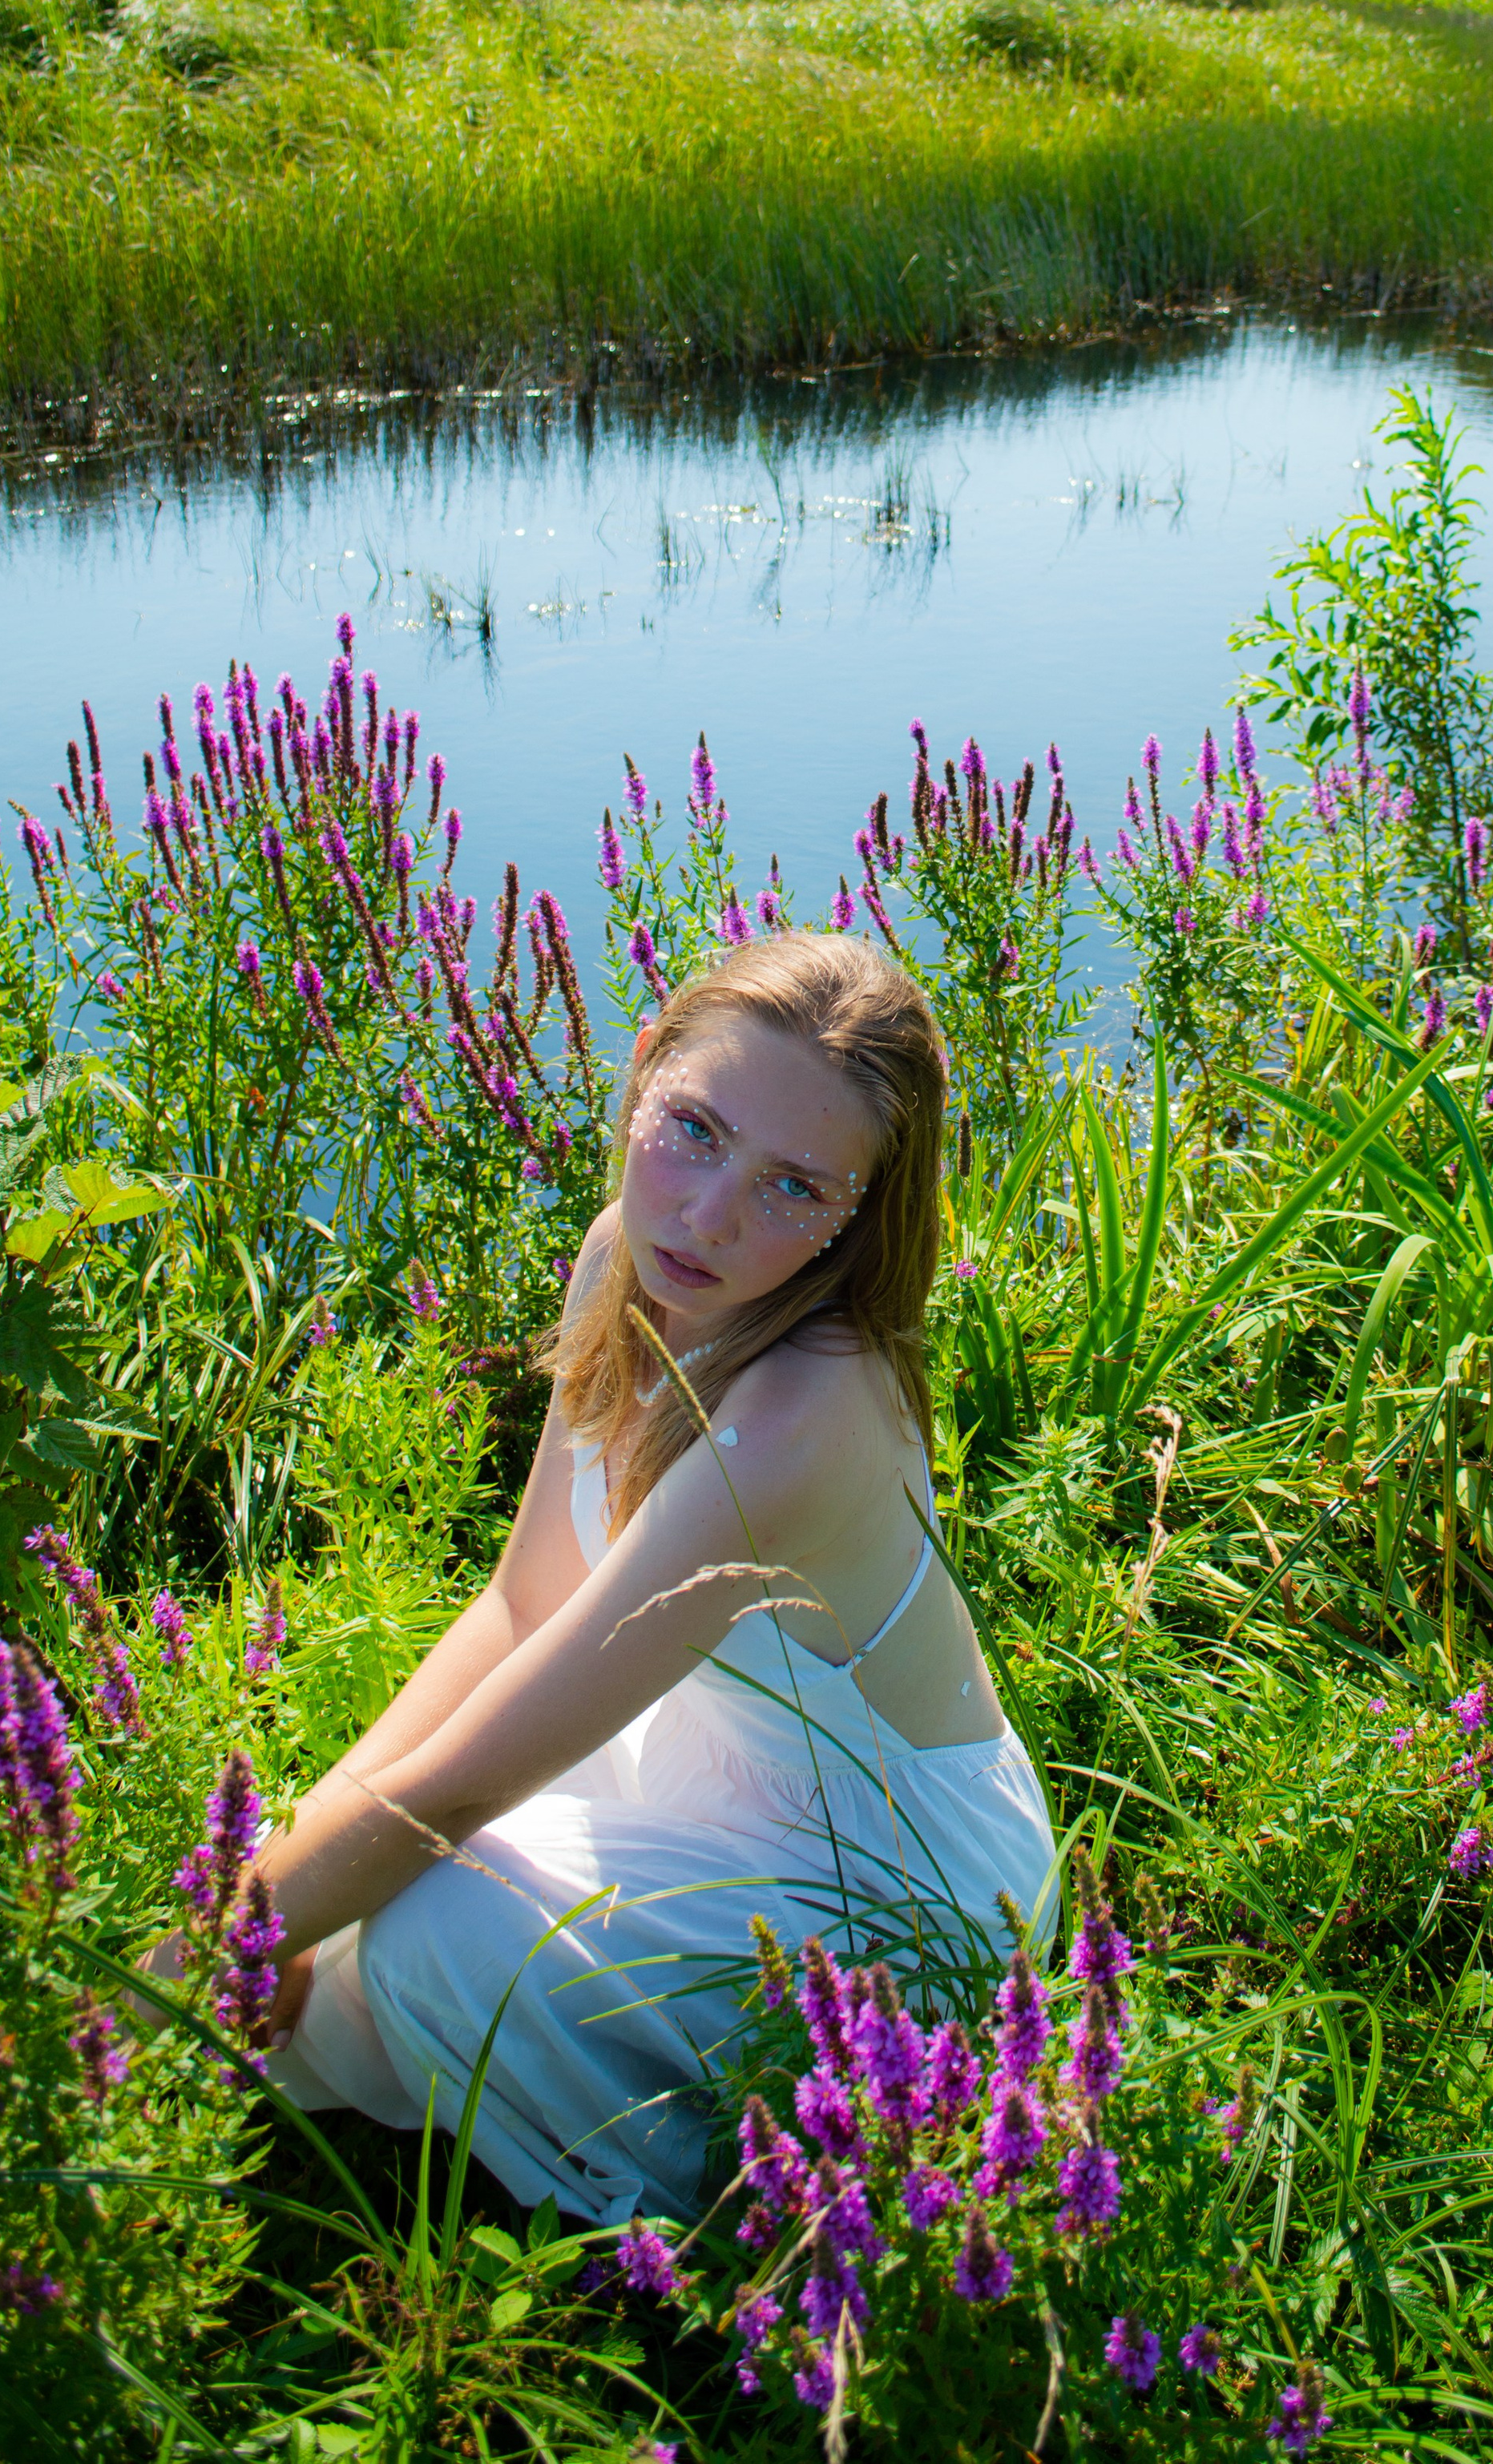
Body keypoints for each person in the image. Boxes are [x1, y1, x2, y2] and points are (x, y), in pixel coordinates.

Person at [248, 932, 1055, 2224]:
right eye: (694, 1130)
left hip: (892, 1885)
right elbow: (521, 1607)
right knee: (336, 1870)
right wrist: (266, 1882)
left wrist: (215, 1940)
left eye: (794, 1187)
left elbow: (453, 1786)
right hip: (707, 1755)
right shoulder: (619, 1258)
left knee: (426, 1933)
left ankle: (731, 2216)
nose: (708, 1215)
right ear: (641, 1076)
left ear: (861, 1216)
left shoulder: (802, 1420)